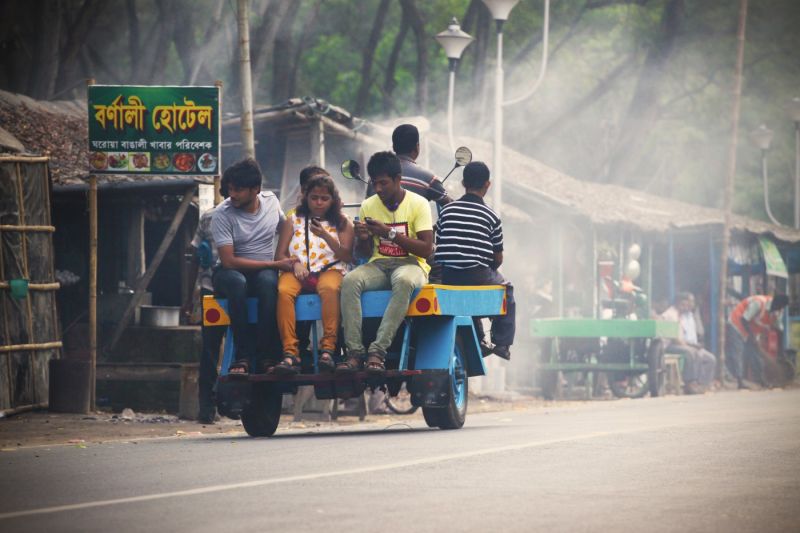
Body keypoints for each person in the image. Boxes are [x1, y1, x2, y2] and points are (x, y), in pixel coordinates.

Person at [339, 151, 433, 375]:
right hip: (379, 264)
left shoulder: (418, 204)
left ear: (398, 180)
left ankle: (377, 352)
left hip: (412, 264)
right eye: (375, 183)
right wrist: (362, 237)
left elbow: (426, 249)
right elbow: (365, 252)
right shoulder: (368, 205)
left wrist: (389, 234)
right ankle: (354, 353)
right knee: (350, 280)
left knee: (403, 280)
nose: (378, 189)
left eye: (384, 183)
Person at [211, 158, 295, 375]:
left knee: (270, 282)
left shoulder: (271, 202)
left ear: (255, 189)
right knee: (238, 283)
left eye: (238, 190)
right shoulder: (222, 214)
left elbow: (286, 226)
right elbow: (228, 261)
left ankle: (267, 356)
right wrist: (274, 263)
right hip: (228, 273)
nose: (232, 195)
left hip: (262, 272)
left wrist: (285, 257)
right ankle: (243, 356)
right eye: (230, 189)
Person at [434, 161, 515, 360]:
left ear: (463, 182)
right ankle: (502, 343)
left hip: (449, 276)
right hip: (478, 274)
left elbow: (440, 244)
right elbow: (498, 257)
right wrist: (489, 269)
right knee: (507, 291)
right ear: (487, 184)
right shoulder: (491, 216)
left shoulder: (447, 212)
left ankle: (479, 339)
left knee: (464, 298)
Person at [274, 174, 354, 374]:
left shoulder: (343, 222)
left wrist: (325, 235)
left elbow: (347, 255)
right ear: (306, 198)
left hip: (330, 269)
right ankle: (290, 352)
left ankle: (328, 348)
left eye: (324, 198)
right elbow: (280, 255)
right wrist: (294, 264)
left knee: (330, 289)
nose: (318, 203)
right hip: (298, 271)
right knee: (283, 291)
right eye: (314, 197)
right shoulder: (293, 220)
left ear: (332, 200)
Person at [182, 177, 228, 423]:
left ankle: (215, 407)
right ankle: (207, 408)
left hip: (219, 292)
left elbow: (194, 258)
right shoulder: (209, 218)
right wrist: (190, 298)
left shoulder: (211, 217)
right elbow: (195, 258)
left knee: (214, 348)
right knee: (212, 348)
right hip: (212, 292)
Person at [726, 293, 789, 389]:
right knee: (738, 352)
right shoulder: (759, 303)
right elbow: (744, 319)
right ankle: (740, 382)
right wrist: (752, 337)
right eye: (778, 307)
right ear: (774, 303)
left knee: (756, 355)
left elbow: (779, 330)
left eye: (781, 308)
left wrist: (781, 351)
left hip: (750, 332)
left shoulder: (778, 312)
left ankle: (762, 381)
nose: (779, 309)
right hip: (736, 324)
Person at [662, 292, 716, 394]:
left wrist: (693, 345)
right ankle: (690, 383)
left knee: (710, 358)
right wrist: (690, 346)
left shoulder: (682, 316)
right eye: (683, 305)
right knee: (691, 352)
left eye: (687, 305)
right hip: (668, 345)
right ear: (678, 303)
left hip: (679, 344)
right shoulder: (670, 314)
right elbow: (675, 339)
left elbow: (682, 338)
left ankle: (702, 384)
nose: (685, 307)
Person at [392, 124, 452, 208]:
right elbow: (449, 203)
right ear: (417, 147)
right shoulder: (427, 178)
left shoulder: (375, 177)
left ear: (393, 147)